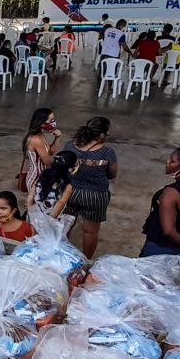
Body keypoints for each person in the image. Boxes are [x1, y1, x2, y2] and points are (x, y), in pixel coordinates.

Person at [63, 116, 118, 259]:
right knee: (90, 232)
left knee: (65, 227)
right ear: (101, 135)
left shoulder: (69, 146)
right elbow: (112, 174)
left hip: (69, 192)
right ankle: (85, 261)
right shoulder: (107, 152)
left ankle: (60, 255)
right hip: (95, 195)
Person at [22, 108, 62, 195]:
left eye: (53, 120)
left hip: (43, 176)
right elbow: (47, 161)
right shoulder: (36, 139)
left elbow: (50, 151)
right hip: (36, 178)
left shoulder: (40, 134)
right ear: (41, 122)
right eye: (51, 120)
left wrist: (57, 138)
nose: (53, 123)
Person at [28, 150, 76, 218]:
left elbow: (30, 196)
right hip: (48, 222)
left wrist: (31, 214)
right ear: (71, 168)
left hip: (34, 216)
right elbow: (60, 204)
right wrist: (47, 224)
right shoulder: (67, 186)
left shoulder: (43, 175)